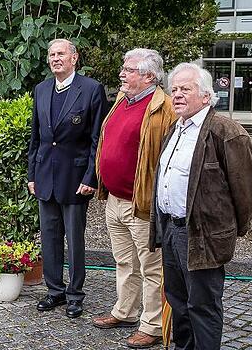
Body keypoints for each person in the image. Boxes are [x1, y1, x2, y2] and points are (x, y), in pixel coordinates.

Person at [150, 63, 252, 350]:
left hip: (202, 235)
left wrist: (228, 230)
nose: (177, 95)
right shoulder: (176, 127)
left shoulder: (225, 131)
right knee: (178, 303)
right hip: (172, 229)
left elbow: (247, 189)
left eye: (186, 89)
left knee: (203, 305)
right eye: (174, 89)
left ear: (206, 96)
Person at [92, 49, 175, 348]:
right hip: (115, 200)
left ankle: (151, 326)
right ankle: (124, 311)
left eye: (128, 70)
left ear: (149, 76)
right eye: (123, 69)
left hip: (142, 205)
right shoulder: (121, 101)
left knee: (151, 267)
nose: (122, 75)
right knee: (124, 261)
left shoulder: (164, 109)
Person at [27, 38, 107, 319]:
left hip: (75, 179)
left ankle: (75, 294)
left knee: (74, 240)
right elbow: (35, 137)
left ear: (74, 58)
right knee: (49, 237)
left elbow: (97, 139)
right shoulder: (41, 89)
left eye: (61, 53)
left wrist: (91, 177)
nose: (55, 58)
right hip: (45, 176)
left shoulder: (91, 89)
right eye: (51, 54)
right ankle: (54, 291)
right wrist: (31, 174)